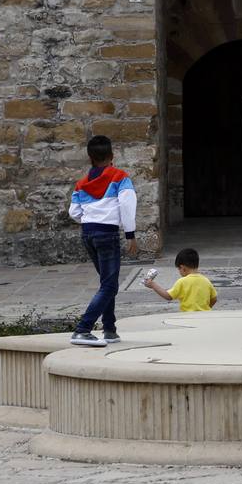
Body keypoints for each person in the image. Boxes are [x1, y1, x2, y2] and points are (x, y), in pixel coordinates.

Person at [68, 135, 137, 347]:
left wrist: (90, 219)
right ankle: (83, 329)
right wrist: (130, 235)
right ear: (112, 156)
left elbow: (74, 212)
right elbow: (127, 206)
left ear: (90, 158)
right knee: (109, 285)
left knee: (107, 282)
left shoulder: (82, 183)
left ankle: (110, 329)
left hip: (88, 234)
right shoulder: (120, 178)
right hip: (107, 234)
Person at [141, 248, 217, 312]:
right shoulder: (206, 281)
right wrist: (206, 309)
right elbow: (214, 299)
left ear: (183, 268)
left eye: (178, 269)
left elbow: (168, 296)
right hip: (205, 317)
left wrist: (153, 285)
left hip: (187, 317)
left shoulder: (182, 282)